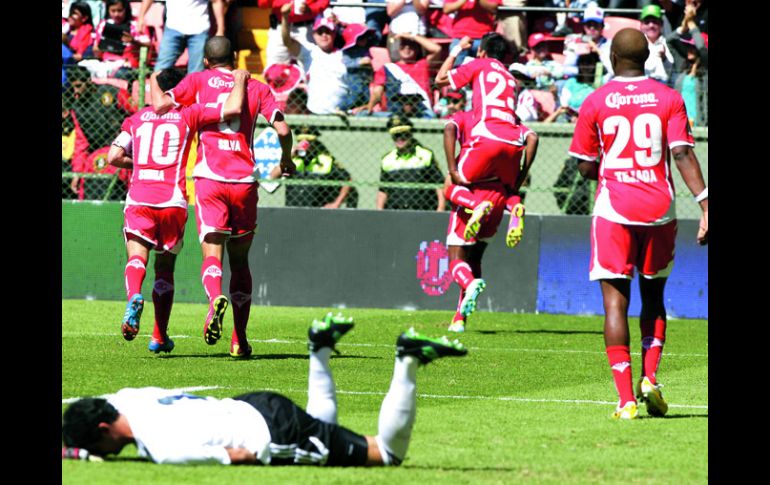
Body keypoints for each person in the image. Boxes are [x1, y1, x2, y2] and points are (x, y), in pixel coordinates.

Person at [62, 314, 468, 466]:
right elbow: (86, 416)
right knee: (321, 428)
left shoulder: (162, 449)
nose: (103, 456)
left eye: (97, 448)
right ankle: (319, 350)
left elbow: (240, 455)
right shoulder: (127, 397)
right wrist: (74, 448)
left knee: (387, 454)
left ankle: (407, 360)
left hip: (272, 433)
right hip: (252, 403)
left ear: (102, 428)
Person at [567, 28, 708, 420]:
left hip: (614, 210)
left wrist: (605, 161)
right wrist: (706, 203)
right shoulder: (669, 98)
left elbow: (583, 165)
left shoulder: (596, 101)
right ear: (647, 57)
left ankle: (626, 400)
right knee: (655, 297)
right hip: (660, 208)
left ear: (613, 59)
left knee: (616, 302)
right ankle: (650, 377)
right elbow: (681, 154)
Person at [152, 36, 296, 359]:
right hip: (244, 181)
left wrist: (152, 77)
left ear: (205, 61)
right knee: (241, 261)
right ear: (234, 58)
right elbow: (283, 131)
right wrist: (286, 160)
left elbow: (162, 104)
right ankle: (239, 340)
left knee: (212, 254)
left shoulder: (197, 81)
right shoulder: (255, 86)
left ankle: (215, 297)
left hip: (210, 179)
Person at [107, 67, 249, 352]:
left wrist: (143, 166)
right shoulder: (190, 113)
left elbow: (113, 156)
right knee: (165, 267)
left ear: (157, 90)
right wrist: (241, 79)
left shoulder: (135, 119)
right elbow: (233, 108)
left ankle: (134, 295)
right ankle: (159, 336)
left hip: (140, 197)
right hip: (172, 200)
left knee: (137, 257)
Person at [442, 108, 538, 331]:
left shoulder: (468, 115)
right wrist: (522, 174)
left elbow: (449, 128)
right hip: (500, 197)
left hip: (473, 191)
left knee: (457, 259)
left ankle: (475, 207)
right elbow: (532, 137)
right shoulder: (511, 122)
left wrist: (453, 167)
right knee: (474, 260)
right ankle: (459, 319)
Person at [434, 33, 528, 251]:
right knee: (504, 190)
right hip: (514, 142)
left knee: (450, 183)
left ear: (481, 51)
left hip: (487, 136)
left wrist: (458, 49)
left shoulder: (479, 64)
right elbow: (530, 134)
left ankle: (475, 205)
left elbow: (439, 80)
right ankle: (514, 206)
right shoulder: (510, 78)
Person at [355, 33, 442, 119]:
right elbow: (378, 91)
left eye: (411, 46)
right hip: (394, 114)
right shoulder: (387, 68)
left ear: (417, 49)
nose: (407, 48)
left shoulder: (423, 64)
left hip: (422, 112)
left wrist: (412, 36)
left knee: (432, 116)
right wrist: (370, 106)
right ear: (398, 49)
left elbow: (437, 49)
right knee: (361, 114)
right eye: (403, 45)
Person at [280, 6, 348, 115]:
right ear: (314, 35)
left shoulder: (345, 55)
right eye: (320, 32)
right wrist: (285, 17)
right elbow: (287, 41)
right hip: (315, 114)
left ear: (334, 34)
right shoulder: (309, 52)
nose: (324, 35)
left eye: (328, 31)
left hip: (341, 114)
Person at [270, 125, 356, 208]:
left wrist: (336, 203)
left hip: (316, 212)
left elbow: (347, 179)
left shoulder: (326, 160)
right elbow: (273, 176)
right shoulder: (293, 160)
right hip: (292, 209)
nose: (306, 146)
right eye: (301, 141)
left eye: (309, 142)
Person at [377, 115, 446, 211]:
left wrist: (440, 209)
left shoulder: (426, 155)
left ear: (410, 134)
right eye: (396, 136)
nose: (400, 139)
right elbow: (383, 190)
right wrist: (379, 211)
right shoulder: (387, 160)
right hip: (395, 211)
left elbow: (439, 185)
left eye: (403, 135)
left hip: (423, 211)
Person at [138, 0, 228, 73]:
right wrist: (141, 17)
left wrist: (221, 29)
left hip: (199, 30)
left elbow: (216, 2)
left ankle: (192, 95)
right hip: (173, 28)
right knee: (161, 69)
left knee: (196, 72)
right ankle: (156, 95)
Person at [92, 0, 153, 81]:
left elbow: (148, 45)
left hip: (127, 65)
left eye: (119, 11)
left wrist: (133, 41)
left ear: (126, 9)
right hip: (106, 64)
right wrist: (97, 50)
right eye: (113, 11)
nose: (116, 14)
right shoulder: (103, 24)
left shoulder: (136, 24)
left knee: (120, 74)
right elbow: (96, 48)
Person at [259, 0, 330, 67]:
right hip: (280, 28)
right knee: (275, 69)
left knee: (311, 65)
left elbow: (324, 1)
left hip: (306, 28)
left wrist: (311, 9)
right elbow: (262, 4)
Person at [443, 0, 501, 66]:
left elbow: (493, 9)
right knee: (457, 70)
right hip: (460, 38)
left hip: (483, 38)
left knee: (483, 70)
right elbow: (446, 9)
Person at [638, 4, 674, 85]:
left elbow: (672, 71)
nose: (651, 25)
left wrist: (664, 58)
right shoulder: (636, 43)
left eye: (655, 22)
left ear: (661, 24)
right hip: (643, 84)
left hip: (664, 85)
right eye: (647, 22)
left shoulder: (668, 43)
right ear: (641, 25)